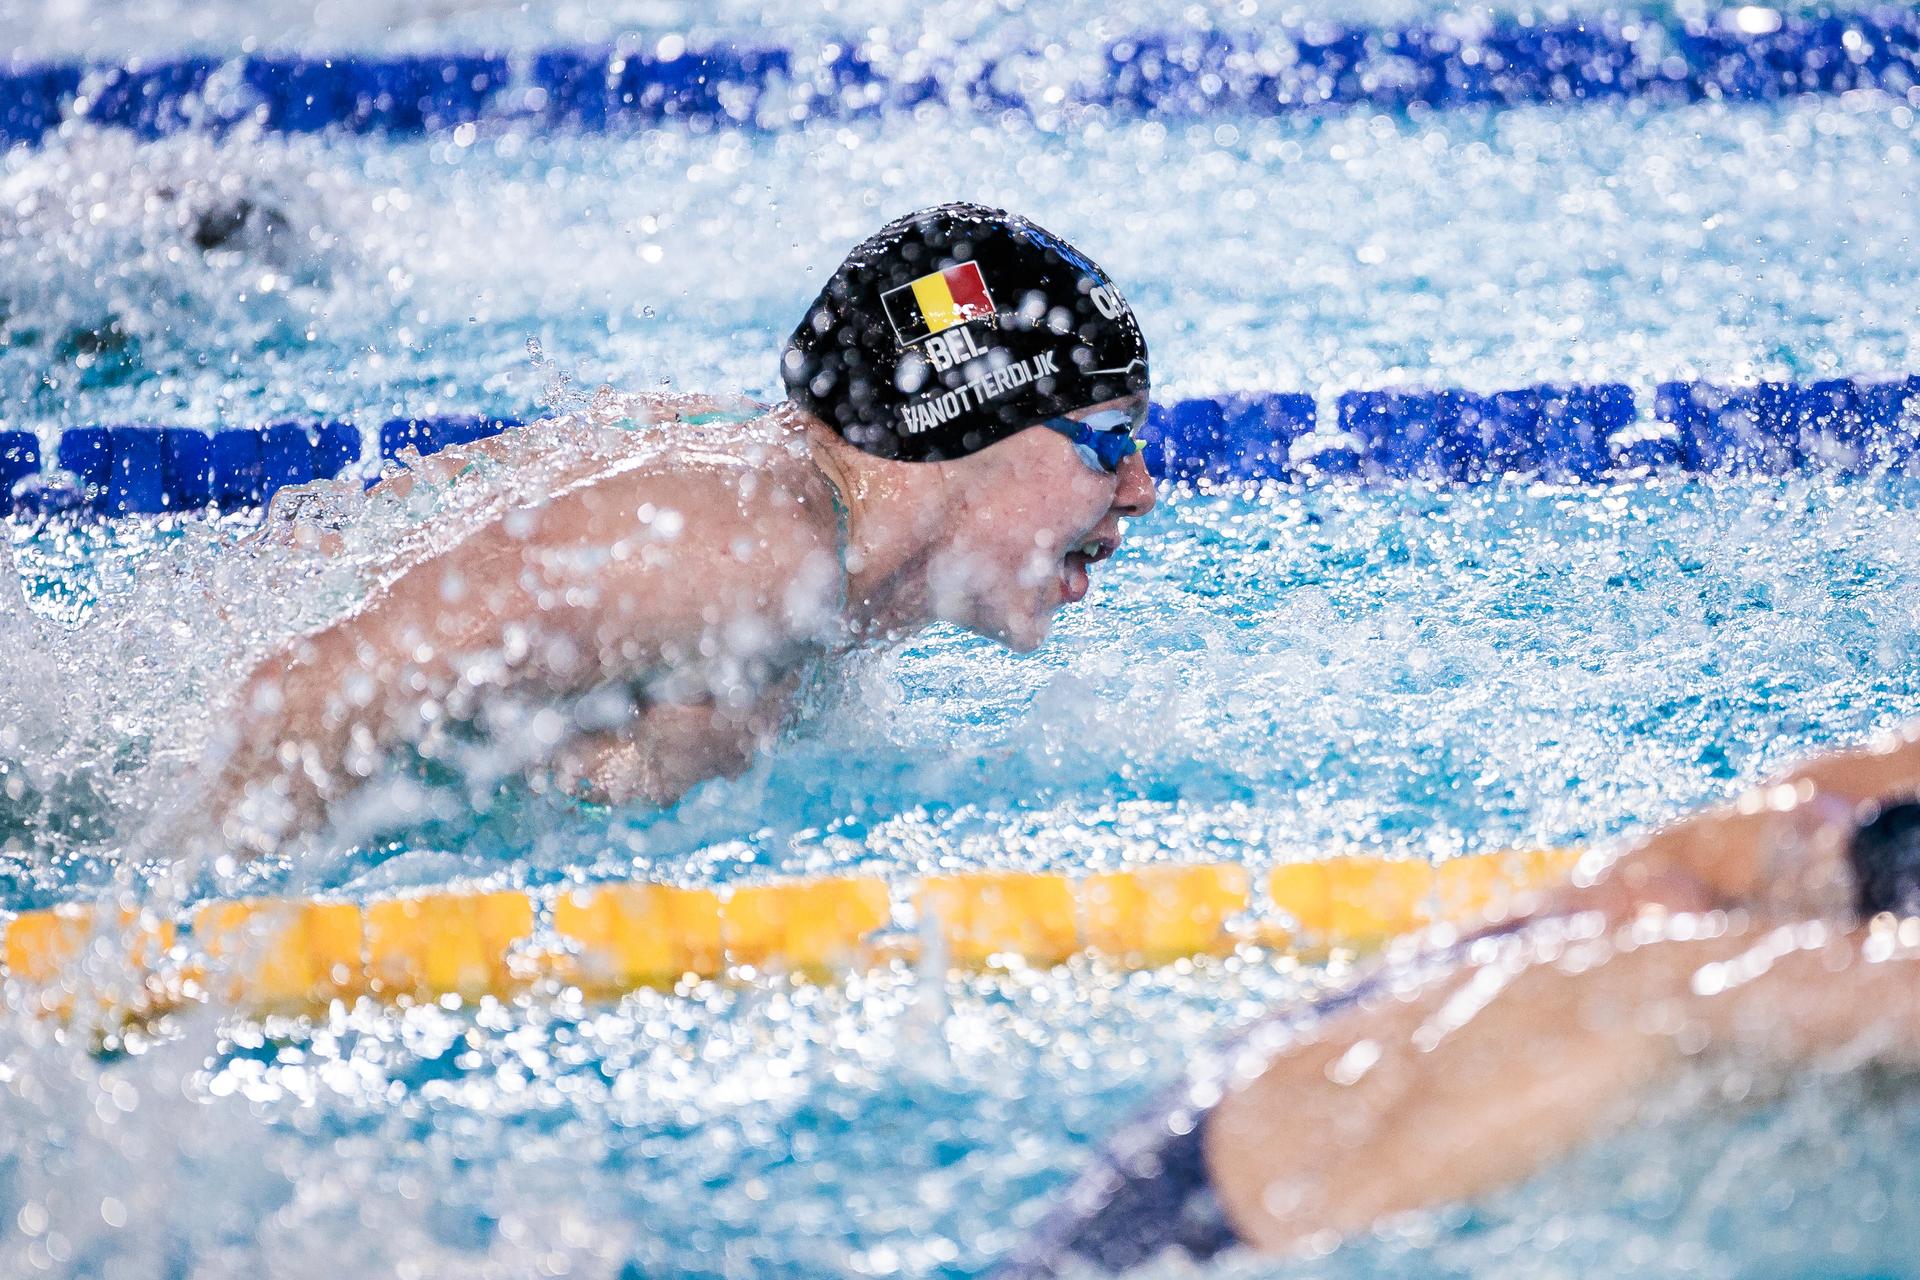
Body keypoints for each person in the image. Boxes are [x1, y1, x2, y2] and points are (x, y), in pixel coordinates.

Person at [203, 203, 1156, 854]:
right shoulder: (743, 547)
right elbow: (303, 701)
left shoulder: (808, 562)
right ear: (965, 425)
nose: (1140, 490)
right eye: (1109, 441)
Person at [996, 723, 1920, 1276]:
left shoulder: (1664, 929)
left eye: (1867, 832)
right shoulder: (1675, 968)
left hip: (1218, 1161)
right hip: (1201, 1235)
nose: (1813, 818)